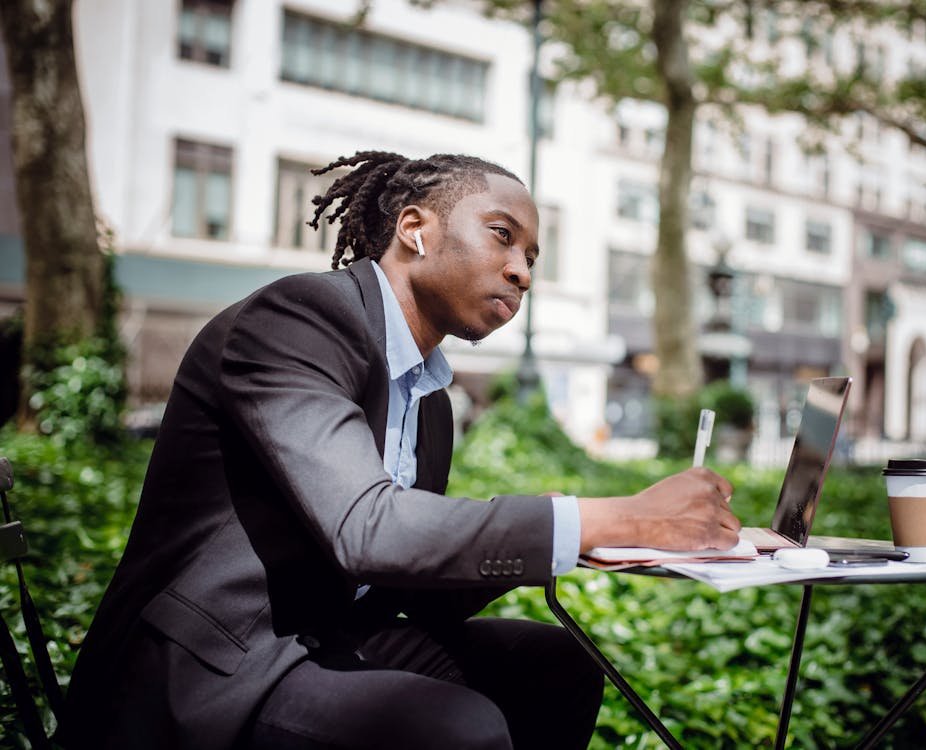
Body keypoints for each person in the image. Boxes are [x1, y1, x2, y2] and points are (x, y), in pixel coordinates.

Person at [61, 151, 741, 750]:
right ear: (415, 229)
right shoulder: (299, 320)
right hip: (219, 662)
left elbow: (413, 586)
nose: (520, 272)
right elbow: (368, 528)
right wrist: (612, 516)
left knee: (558, 664)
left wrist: (619, 538)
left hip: (333, 634)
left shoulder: (431, 402)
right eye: (502, 237)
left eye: (531, 258)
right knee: (450, 728)